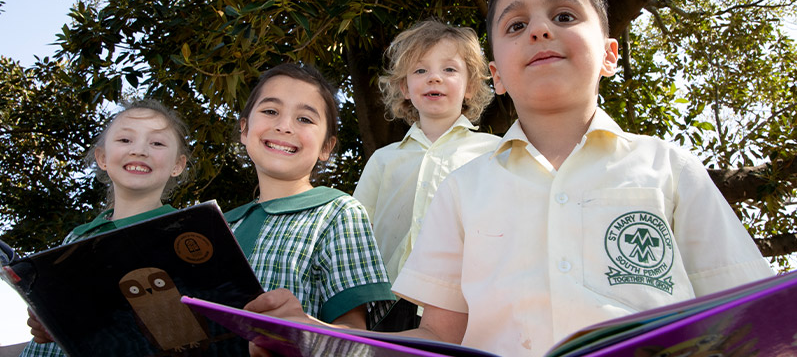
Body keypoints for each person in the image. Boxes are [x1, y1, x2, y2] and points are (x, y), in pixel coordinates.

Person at [244, 0, 775, 357]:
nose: (541, 28)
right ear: (496, 75)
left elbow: (748, 318)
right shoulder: (466, 189)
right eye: (516, 25)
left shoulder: (668, 166)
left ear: (611, 54)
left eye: (565, 15)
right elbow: (437, 337)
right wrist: (315, 337)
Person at [224, 63, 395, 340]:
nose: (284, 126)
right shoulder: (221, 224)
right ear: (244, 130)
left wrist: (301, 329)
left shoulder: (338, 213)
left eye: (304, 119)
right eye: (270, 111)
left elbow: (353, 335)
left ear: (327, 146)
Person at [353, 19, 499, 330]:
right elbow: (356, 235)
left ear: (470, 85)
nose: (434, 77)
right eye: (420, 71)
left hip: (461, 306)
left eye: (449, 69)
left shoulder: (494, 153)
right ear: (404, 87)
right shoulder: (383, 160)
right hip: (385, 303)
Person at [21, 99, 190, 357]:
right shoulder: (78, 237)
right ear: (102, 158)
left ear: (178, 165)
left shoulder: (186, 232)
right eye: (125, 140)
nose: (139, 150)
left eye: (156, 143)